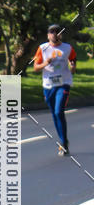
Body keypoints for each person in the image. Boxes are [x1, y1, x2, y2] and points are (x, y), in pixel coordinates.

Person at [33, 24, 76, 155]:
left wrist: (72, 66)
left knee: (58, 112)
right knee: (54, 114)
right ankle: (63, 141)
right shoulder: (42, 48)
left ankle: (63, 144)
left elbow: (73, 68)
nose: (54, 34)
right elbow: (36, 67)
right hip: (48, 85)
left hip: (63, 84)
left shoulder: (67, 48)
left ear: (61, 34)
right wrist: (46, 63)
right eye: (52, 32)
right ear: (48, 35)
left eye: (57, 32)